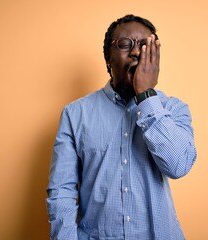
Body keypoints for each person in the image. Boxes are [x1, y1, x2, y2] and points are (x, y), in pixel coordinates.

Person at [46, 14, 197, 240]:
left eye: (146, 46)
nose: (137, 52)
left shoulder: (173, 109)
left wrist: (146, 96)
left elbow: (178, 166)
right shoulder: (75, 114)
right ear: (108, 58)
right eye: (125, 45)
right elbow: (62, 192)